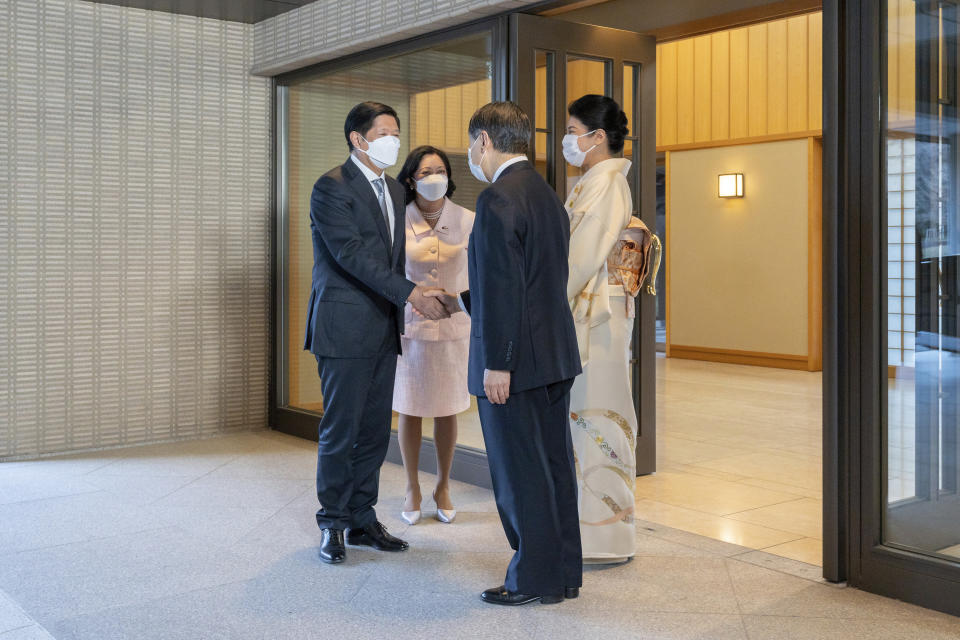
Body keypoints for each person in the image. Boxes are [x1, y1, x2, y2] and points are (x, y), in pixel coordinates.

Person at [431, 101, 583, 606]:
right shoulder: (544, 194)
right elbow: (533, 282)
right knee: (554, 467)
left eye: (472, 143)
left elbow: (502, 286)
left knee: (520, 475)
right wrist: (463, 301)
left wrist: (499, 362)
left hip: (515, 364)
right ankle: (561, 575)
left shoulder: (497, 199)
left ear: (483, 141)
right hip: (553, 357)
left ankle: (529, 580)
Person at [303, 101, 449, 565]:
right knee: (341, 430)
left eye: (397, 133)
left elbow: (393, 257)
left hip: (382, 328)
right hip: (343, 327)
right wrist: (411, 294)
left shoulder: (391, 189)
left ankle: (362, 517)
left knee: (372, 431)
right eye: (384, 133)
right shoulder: (331, 187)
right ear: (358, 139)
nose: (394, 141)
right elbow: (349, 255)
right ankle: (333, 522)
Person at [562, 94, 637, 562]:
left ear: (598, 137)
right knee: (587, 415)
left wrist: (547, 296)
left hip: (600, 316)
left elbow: (582, 253)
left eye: (573, 131)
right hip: (598, 309)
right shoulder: (594, 180)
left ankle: (604, 536)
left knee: (597, 413)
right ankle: (592, 530)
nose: (569, 140)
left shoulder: (605, 183)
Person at [392, 146, 475, 526]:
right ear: (411, 179)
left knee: (446, 408)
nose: (434, 177)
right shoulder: (397, 219)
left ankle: (443, 485)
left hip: (453, 327)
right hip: (409, 326)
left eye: (440, 170)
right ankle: (412, 487)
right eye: (425, 172)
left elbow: (479, 271)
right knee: (409, 407)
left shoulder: (468, 219)